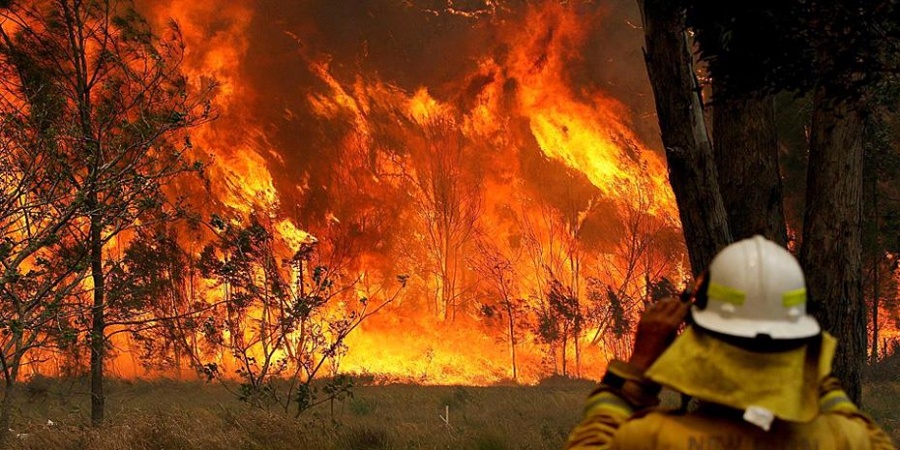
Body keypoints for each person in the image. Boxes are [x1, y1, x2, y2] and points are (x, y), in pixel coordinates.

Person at [565, 235, 896, 450]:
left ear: (701, 337)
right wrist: (807, 365)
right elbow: (860, 426)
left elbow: (590, 442)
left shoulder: (653, 439)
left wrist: (635, 369)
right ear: (798, 338)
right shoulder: (844, 440)